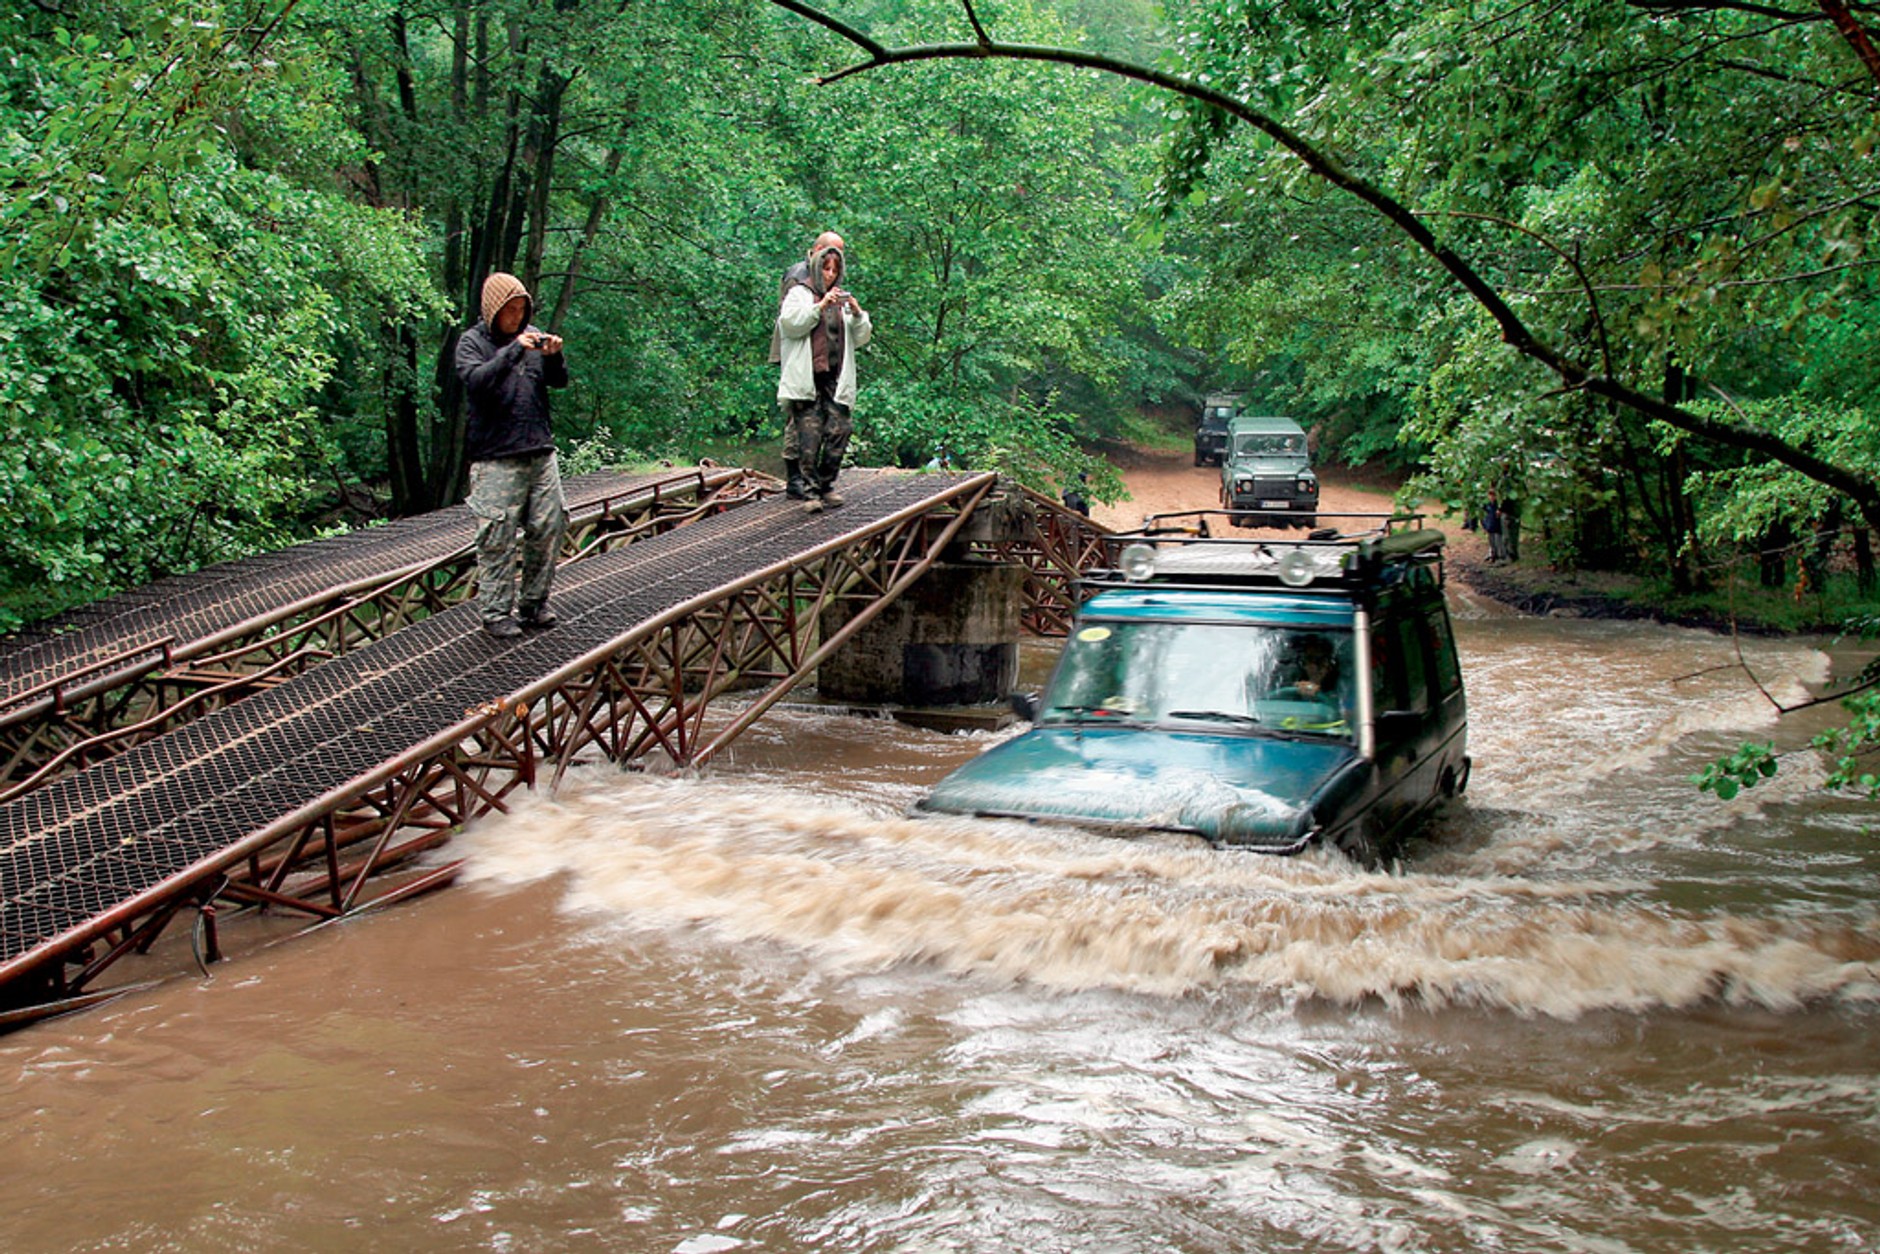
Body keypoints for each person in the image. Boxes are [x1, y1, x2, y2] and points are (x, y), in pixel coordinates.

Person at [454, 271, 569, 639]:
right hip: (496, 456)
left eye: (522, 310)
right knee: (497, 536)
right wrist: (516, 349)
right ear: (494, 309)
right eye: (511, 310)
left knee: (549, 526)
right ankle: (496, 613)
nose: (517, 317)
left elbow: (559, 381)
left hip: (539, 450)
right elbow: (477, 382)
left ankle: (535, 604)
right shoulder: (471, 344)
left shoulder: (531, 337)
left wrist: (553, 356)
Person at [775, 232, 871, 513]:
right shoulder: (799, 290)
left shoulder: (842, 298)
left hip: (835, 376)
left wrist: (857, 313)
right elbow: (790, 324)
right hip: (806, 376)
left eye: (835, 270)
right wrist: (820, 307)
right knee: (808, 436)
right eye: (826, 268)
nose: (829, 275)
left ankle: (827, 484)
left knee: (841, 429)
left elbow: (861, 336)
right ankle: (809, 491)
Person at [1483, 492, 1506, 563]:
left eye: (1493, 496)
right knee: (1491, 542)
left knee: (1498, 542)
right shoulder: (1487, 505)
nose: (1492, 497)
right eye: (1490, 496)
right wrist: (1485, 526)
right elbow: (1485, 516)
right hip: (1490, 526)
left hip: (1497, 527)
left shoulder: (1498, 505)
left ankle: (1501, 556)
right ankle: (1492, 555)